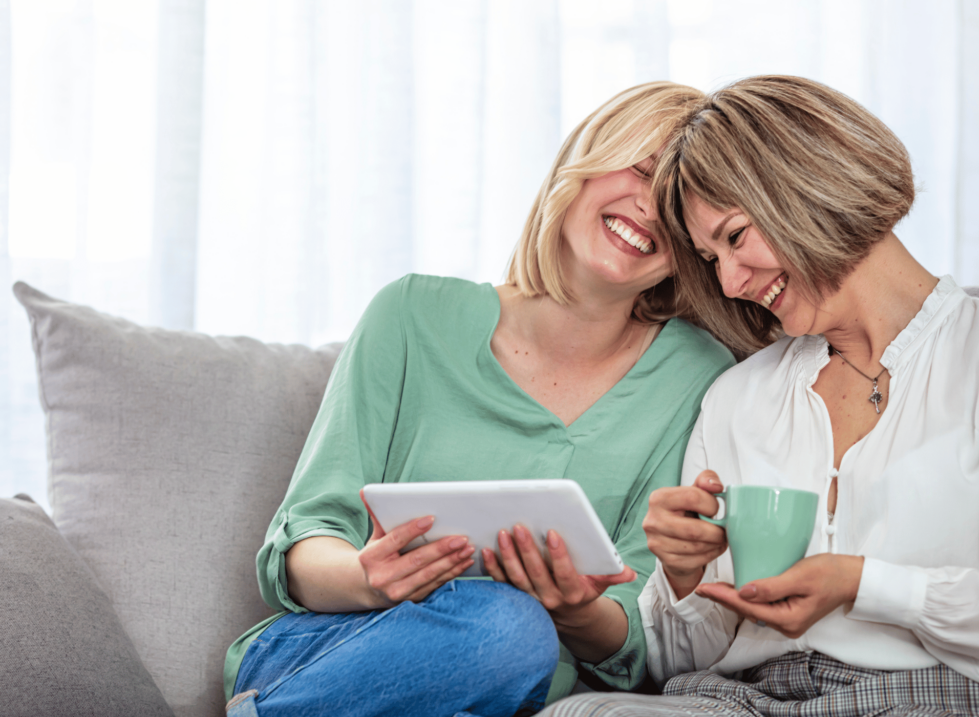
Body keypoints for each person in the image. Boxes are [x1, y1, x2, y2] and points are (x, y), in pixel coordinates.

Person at [222, 81, 735, 717]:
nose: (649, 209)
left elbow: (640, 630)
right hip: (339, 650)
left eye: (676, 203)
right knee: (504, 626)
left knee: (518, 635)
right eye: (641, 166)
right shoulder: (410, 314)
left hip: (522, 683)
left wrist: (574, 609)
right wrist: (366, 577)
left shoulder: (696, 374)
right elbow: (302, 541)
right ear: (583, 163)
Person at [539, 75, 979, 717]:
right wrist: (684, 578)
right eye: (711, 259)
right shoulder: (738, 396)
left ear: (813, 186)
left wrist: (861, 585)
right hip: (737, 700)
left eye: (735, 237)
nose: (733, 282)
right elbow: (675, 660)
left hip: (919, 697)